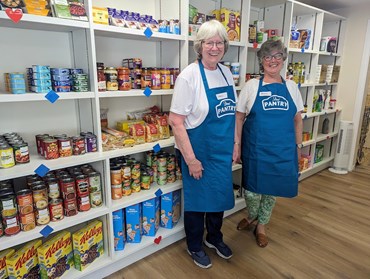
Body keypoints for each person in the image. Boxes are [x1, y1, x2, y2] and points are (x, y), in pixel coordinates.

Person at [168, 20, 238, 269]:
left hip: (220, 149)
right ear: (200, 46)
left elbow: (231, 112)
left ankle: (214, 238)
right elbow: (176, 122)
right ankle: (195, 245)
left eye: (219, 42)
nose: (215, 47)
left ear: (224, 46)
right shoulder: (189, 76)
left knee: (219, 197)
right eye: (209, 42)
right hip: (196, 150)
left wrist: (235, 143)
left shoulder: (226, 72)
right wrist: (191, 159)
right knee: (198, 202)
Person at [234, 39, 303, 248]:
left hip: (282, 150)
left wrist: (298, 147)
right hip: (256, 150)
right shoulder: (252, 86)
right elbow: (238, 117)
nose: (272, 61)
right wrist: (236, 144)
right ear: (261, 61)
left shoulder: (291, 87)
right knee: (253, 191)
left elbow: (297, 119)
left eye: (277, 56)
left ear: (283, 60)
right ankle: (253, 215)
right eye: (267, 57)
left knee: (271, 192)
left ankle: (261, 226)